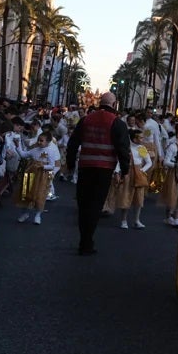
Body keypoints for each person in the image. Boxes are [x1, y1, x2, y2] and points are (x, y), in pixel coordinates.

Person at [66, 92, 132, 256]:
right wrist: (125, 170)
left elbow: (73, 143)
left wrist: (70, 164)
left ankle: (84, 239)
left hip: (85, 166)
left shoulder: (86, 119)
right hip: (104, 169)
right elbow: (123, 149)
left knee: (84, 204)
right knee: (95, 205)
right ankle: (87, 241)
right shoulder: (117, 123)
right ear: (114, 104)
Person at [119, 128, 152, 230]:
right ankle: (124, 220)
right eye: (140, 137)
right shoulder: (128, 147)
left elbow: (148, 162)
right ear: (134, 138)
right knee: (126, 196)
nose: (142, 139)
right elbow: (120, 161)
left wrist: (142, 170)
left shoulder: (141, 148)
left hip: (138, 173)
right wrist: (117, 172)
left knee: (139, 198)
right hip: (128, 173)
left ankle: (137, 220)